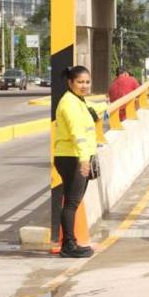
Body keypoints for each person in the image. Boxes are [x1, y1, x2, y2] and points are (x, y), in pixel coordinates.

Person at [54, 65, 107, 258]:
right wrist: (84, 160)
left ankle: (70, 243)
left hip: (74, 155)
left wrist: (107, 105)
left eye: (87, 82)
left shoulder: (79, 101)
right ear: (70, 83)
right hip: (72, 157)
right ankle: (68, 245)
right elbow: (78, 135)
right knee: (72, 203)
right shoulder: (69, 103)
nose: (84, 85)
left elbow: (92, 110)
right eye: (80, 82)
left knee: (72, 201)